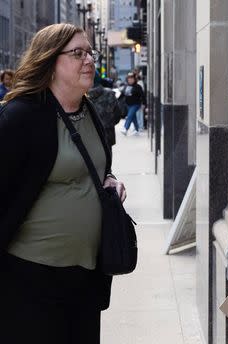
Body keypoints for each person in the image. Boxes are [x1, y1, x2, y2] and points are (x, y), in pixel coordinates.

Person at [0, 23, 127, 344]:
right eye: (77, 53)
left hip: (85, 273)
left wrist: (109, 181)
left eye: (90, 52)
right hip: (31, 277)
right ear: (50, 61)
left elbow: (94, 167)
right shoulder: (21, 116)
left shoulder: (89, 111)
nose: (89, 60)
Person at [88, 72, 122, 147]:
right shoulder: (110, 94)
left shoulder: (80, 96)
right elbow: (118, 115)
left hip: (87, 138)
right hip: (107, 135)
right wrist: (108, 124)